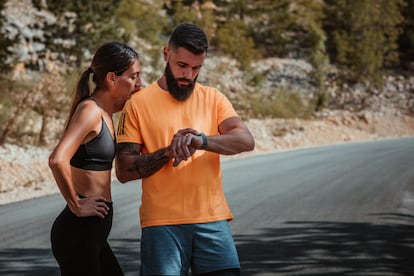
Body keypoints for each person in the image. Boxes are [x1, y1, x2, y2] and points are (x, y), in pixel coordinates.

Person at [115, 23, 255, 275]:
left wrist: (201, 141)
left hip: (212, 219)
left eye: (196, 68)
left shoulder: (213, 98)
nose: (189, 75)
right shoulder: (137, 103)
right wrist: (168, 152)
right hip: (162, 224)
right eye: (182, 65)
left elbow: (245, 140)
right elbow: (124, 170)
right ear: (166, 54)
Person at [49, 41, 141, 276]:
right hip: (78, 233)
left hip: (93, 234)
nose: (138, 83)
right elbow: (57, 159)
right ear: (111, 78)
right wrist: (76, 205)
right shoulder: (90, 111)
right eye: (133, 77)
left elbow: (135, 100)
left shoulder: (106, 110)